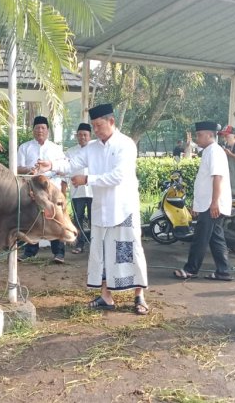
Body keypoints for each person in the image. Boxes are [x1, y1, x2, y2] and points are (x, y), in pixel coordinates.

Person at [36, 103, 150, 315]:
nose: (95, 131)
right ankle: (106, 296)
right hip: (101, 210)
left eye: (98, 126)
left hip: (124, 209)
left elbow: (118, 176)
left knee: (131, 251)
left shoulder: (126, 145)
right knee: (103, 254)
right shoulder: (93, 148)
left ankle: (139, 296)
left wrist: (87, 178)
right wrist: (51, 166)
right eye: (93, 126)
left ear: (111, 122)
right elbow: (71, 163)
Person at [173, 121, 234, 281]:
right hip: (207, 203)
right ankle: (223, 271)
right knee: (215, 238)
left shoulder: (215, 152)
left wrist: (214, 202)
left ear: (209, 135)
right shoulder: (208, 151)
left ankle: (191, 269)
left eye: (199, 135)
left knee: (201, 237)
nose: (197, 138)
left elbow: (217, 178)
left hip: (211, 204)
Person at [17, 115, 67, 263]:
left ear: (48, 131)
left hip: (51, 191)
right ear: (33, 130)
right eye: (37, 128)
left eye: (43, 128)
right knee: (32, 219)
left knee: (55, 219)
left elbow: (64, 168)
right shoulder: (24, 147)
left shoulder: (56, 149)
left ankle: (59, 253)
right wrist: (28, 169)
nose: (40, 130)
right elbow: (17, 167)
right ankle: (30, 251)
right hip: (31, 191)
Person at [66, 123, 94, 254]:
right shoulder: (70, 152)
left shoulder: (95, 150)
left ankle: (95, 245)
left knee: (94, 219)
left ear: (90, 135)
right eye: (80, 134)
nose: (82, 137)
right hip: (77, 192)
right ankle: (80, 244)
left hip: (94, 191)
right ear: (76, 136)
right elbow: (66, 171)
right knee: (78, 218)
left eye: (85, 134)